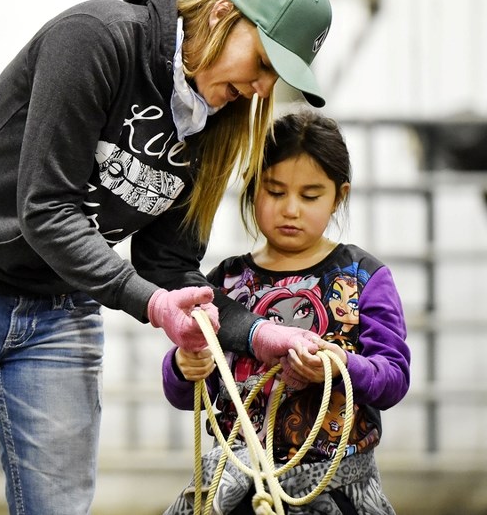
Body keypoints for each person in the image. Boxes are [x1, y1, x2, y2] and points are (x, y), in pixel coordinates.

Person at [0, 0, 333, 515]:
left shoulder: (213, 122)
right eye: (264, 61)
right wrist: (153, 306)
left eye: (277, 77)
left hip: (59, 305)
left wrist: (257, 335)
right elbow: (47, 209)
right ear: (225, 12)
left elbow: (170, 265)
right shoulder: (96, 40)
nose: (261, 87)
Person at [161, 111, 411, 515]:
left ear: (339, 196)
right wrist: (181, 364)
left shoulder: (365, 277)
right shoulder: (221, 283)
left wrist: (340, 367)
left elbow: (394, 377)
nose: (291, 209)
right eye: (275, 192)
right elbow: (183, 393)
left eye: (310, 196)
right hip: (240, 488)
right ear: (252, 188)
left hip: (335, 491)